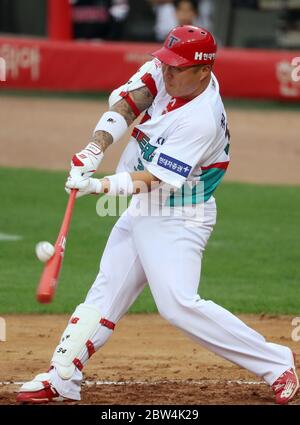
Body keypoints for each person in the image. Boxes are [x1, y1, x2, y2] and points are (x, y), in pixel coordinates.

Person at [17, 25, 299, 405]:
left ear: (204, 71)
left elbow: (153, 180)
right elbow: (129, 103)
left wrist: (98, 186)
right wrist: (93, 150)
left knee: (177, 303)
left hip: (181, 215)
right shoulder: (167, 72)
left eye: (177, 68)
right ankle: (62, 375)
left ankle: (277, 364)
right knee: (105, 292)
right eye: (165, 64)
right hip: (143, 206)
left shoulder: (200, 118)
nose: (166, 73)